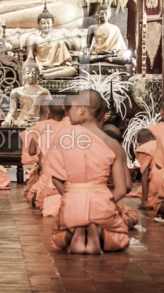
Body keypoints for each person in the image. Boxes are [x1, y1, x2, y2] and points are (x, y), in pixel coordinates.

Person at [48, 90, 130, 254]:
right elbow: (123, 189)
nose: (67, 111)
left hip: (72, 203)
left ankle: (76, 233)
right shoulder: (113, 144)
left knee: (56, 238)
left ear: (81, 110)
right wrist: (101, 199)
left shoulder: (63, 136)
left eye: (70, 108)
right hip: (102, 204)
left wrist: (72, 196)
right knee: (121, 238)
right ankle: (96, 232)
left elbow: (56, 177)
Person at [25, 98, 70, 211]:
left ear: (48, 111)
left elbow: (31, 152)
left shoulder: (40, 127)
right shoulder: (71, 127)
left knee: (33, 196)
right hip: (71, 174)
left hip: (48, 172)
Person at [134, 128, 162, 210]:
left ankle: (150, 202)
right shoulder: (163, 143)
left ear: (140, 143)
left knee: (140, 193)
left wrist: (144, 201)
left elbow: (145, 176)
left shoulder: (144, 149)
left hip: (158, 181)